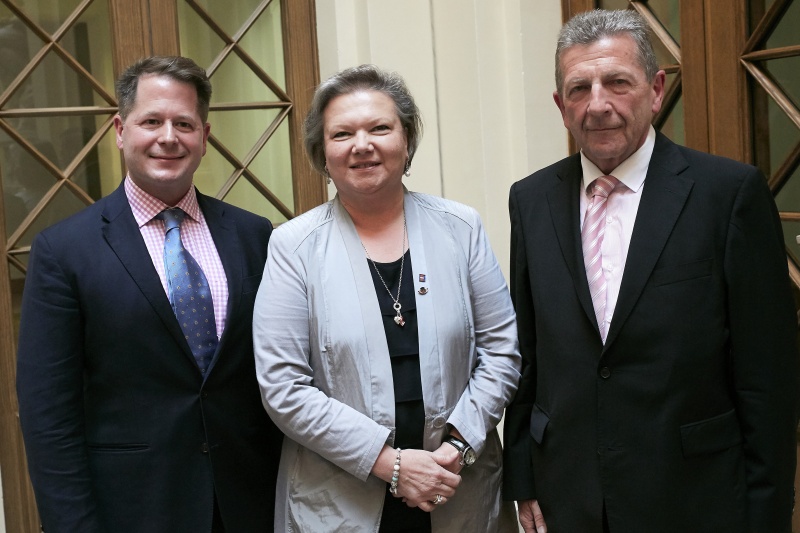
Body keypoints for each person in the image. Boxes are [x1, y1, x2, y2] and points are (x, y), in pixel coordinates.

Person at [503, 9, 798, 533]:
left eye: (618, 83)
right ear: (559, 105)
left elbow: (767, 380)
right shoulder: (531, 200)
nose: (598, 105)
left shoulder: (727, 195)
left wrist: (768, 513)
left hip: (695, 498)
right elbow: (530, 355)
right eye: (578, 89)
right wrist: (523, 478)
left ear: (656, 90)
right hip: (568, 497)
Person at [16, 56, 282, 532]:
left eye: (184, 123)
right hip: (133, 511)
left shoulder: (253, 235)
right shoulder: (64, 251)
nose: (168, 137)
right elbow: (49, 418)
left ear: (205, 135)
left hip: (250, 504)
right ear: (120, 129)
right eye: (151, 121)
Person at [252, 64, 521, 532]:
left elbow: (501, 351)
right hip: (342, 500)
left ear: (407, 140)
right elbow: (283, 386)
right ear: (322, 152)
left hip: (455, 487)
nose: (363, 145)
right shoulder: (293, 246)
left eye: (380, 128)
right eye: (342, 133)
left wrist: (455, 449)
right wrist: (390, 464)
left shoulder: (461, 229)